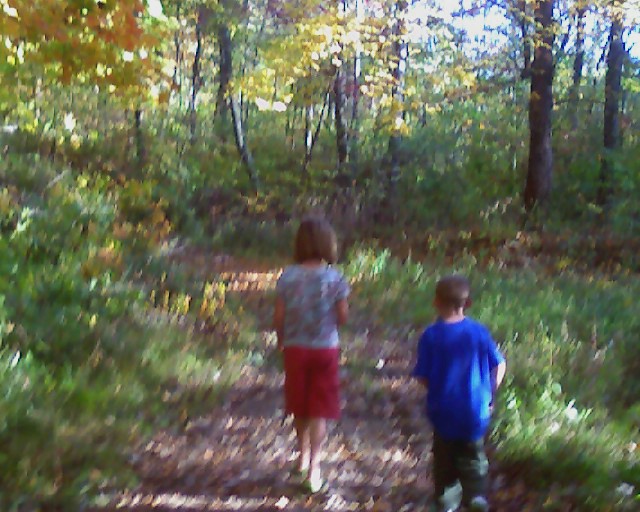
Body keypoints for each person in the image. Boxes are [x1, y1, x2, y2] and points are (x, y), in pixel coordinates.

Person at [412, 275, 506, 512]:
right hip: (475, 411)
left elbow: (422, 375)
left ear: (436, 302)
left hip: (443, 411)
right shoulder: (479, 332)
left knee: (445, 462)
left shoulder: (431, 335)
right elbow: (499, 364)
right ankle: (476, 496)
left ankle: (446, 504)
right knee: (474, 457)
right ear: (468, 303)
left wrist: (438, 389)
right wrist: (490, 393)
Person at [273, 217, 350, 493]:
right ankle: (315, 469)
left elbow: (279, 316)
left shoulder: (287, 277)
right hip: (325, 349)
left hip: (295, 348)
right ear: (328, 244)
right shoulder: (335, 278)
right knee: (319, 408)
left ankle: (302, 457)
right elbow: (343, 316)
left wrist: (281, 338)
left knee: (299, 403)